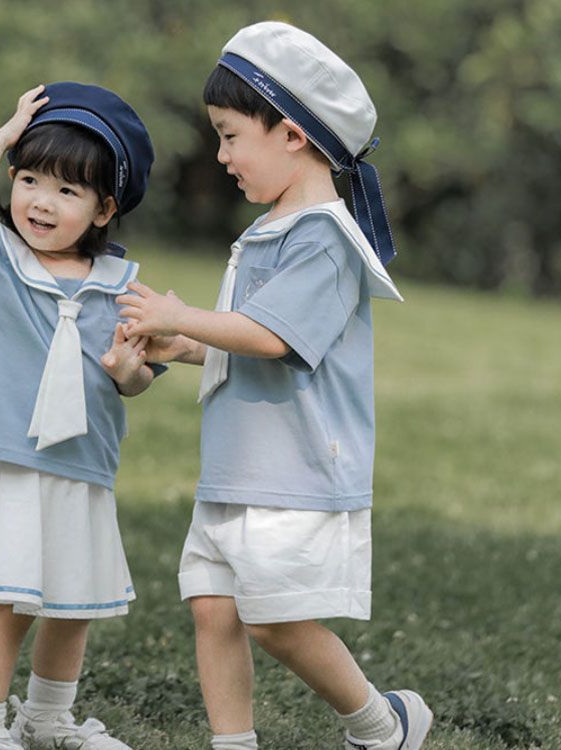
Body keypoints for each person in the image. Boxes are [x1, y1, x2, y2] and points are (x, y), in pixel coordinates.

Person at [117, 21, 432, 750]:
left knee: (273, 617)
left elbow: (276, 337)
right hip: (238, 467)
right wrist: (188, 342)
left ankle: (383, 725)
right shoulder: (274, 229)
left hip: (293, 470)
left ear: (291, 134)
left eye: (229, 136)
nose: (221, 155)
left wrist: (184, 312)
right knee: (213, 608)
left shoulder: (324, 236)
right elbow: (252, 338)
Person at [0, 82, 158, 750]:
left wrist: (128, 372)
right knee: (13, 606)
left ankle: (48, 719)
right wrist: (4, 134)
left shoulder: (123, 289)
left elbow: (139, 379)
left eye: (67, 191)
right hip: (15, 463)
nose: (40, 201)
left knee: (72, 609)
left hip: (83, 469)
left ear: (105, 207)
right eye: (29, 179)